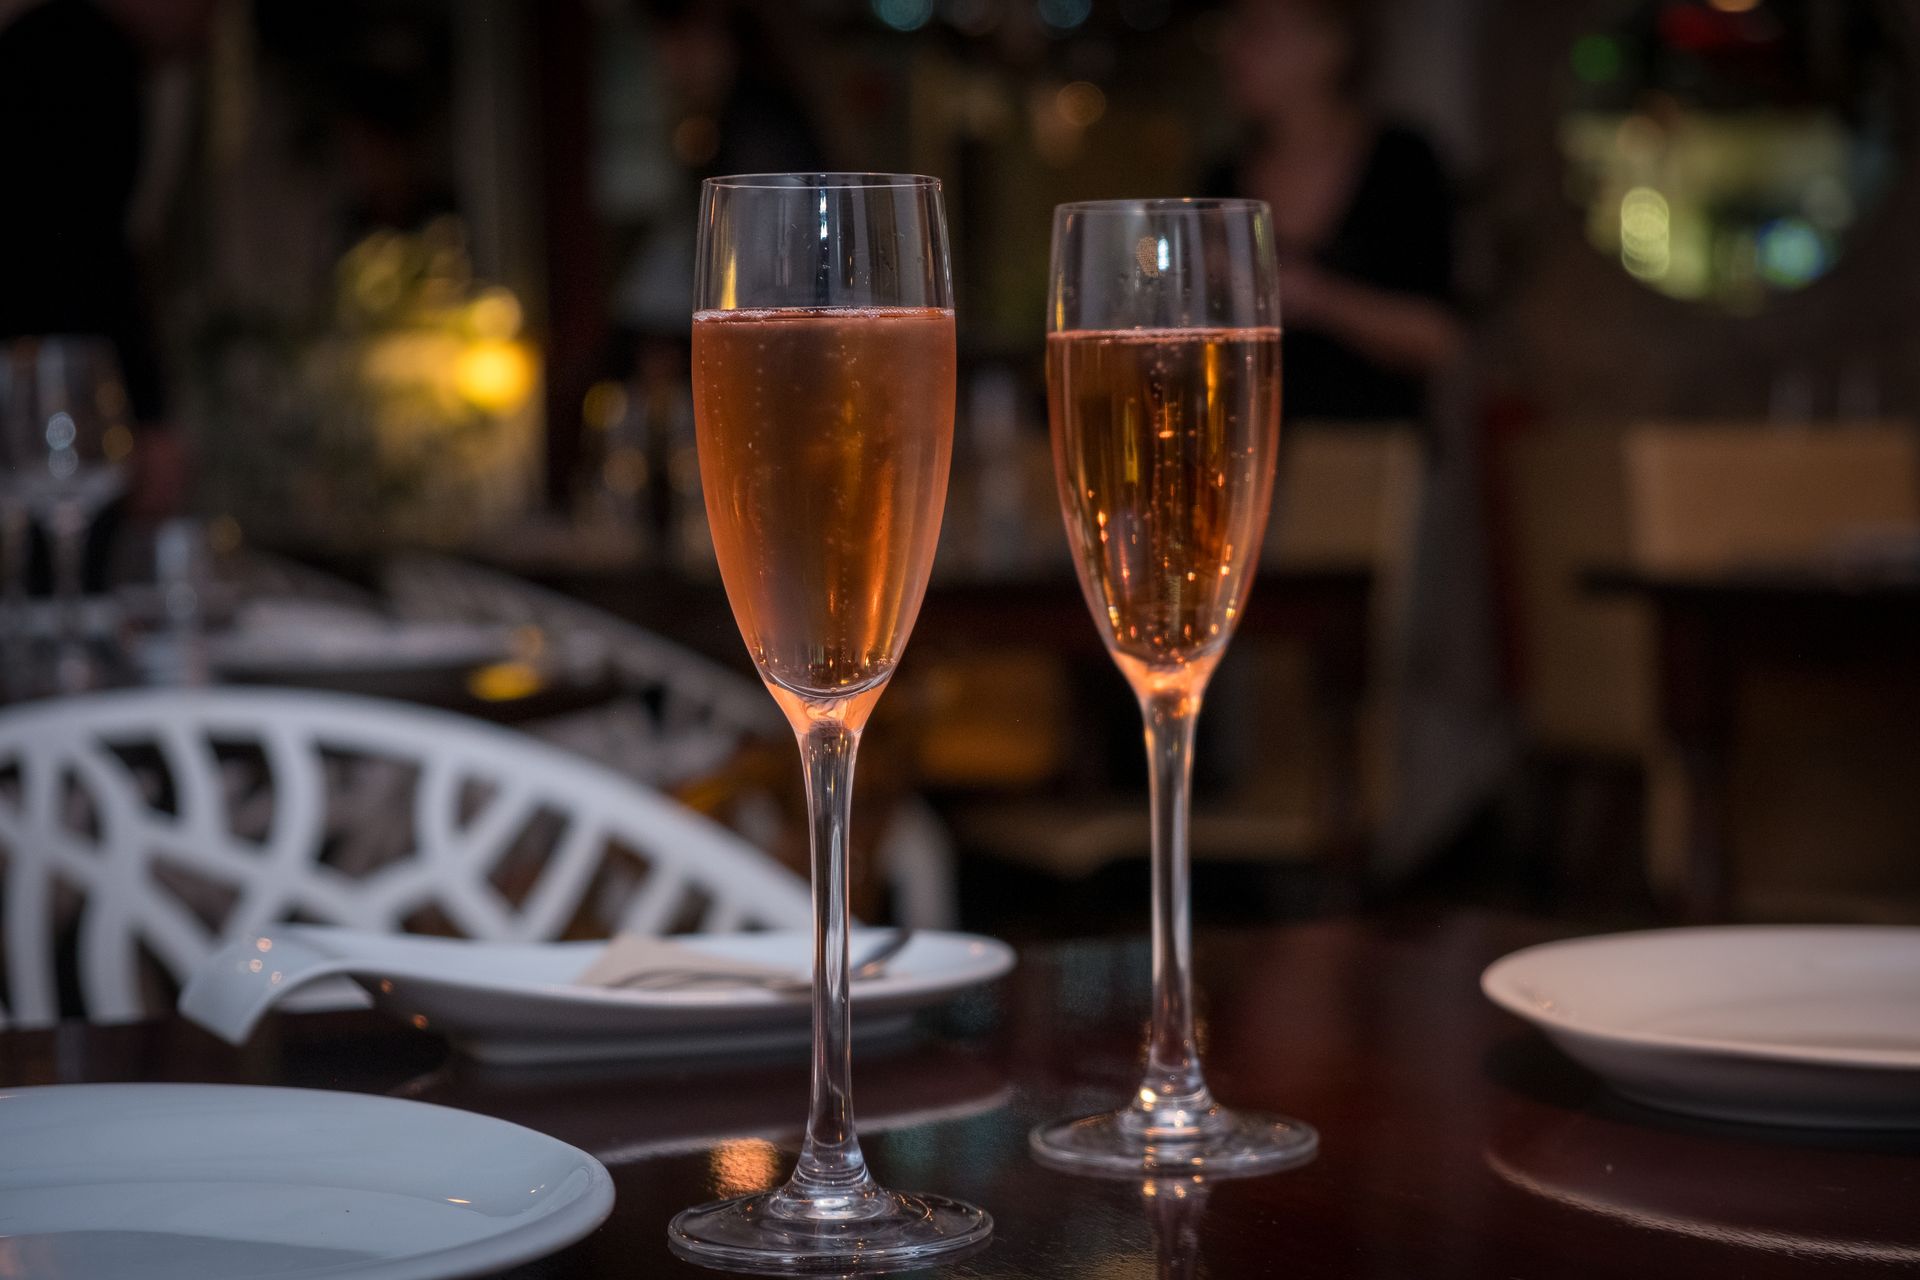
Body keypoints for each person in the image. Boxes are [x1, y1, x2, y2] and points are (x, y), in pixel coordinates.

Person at [0, 0, 212, 517]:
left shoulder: (37, 42)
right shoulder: (83, 52)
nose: (209, 23)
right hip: (49, 400)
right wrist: (140, 411)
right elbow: (85, 249)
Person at [1212, 0, 1463, 424]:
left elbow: (1439, 339)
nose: (1233, 48)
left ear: (1330, 46)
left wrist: (1311, 297)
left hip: (1374, 460)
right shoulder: (1221, 178)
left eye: (1260, 31)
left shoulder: (1400, 163)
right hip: (1246, 446)